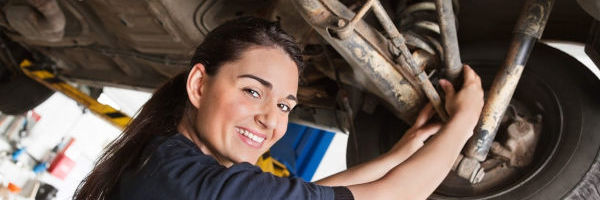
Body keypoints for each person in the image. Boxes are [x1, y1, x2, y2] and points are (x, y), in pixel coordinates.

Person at [73, 17, 484, 200]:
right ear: (199, 84)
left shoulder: (166, 162)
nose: (272, 119)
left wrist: (400, 153)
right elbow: (394, 197)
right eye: (253, 92)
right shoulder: (205, 187)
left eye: (286, 105)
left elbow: (312, 195)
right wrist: (466, 120)